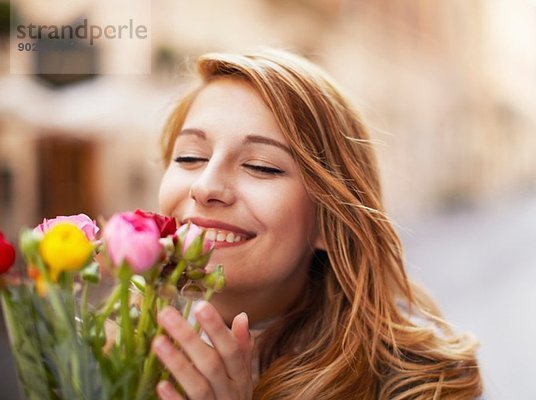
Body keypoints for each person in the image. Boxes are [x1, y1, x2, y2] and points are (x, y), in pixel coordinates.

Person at [152, 48, 483, 400]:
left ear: (329, 220)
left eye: (262, 166)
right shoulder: (109, 348)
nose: (204, 187)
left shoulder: (421, 387)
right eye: (189, 157)